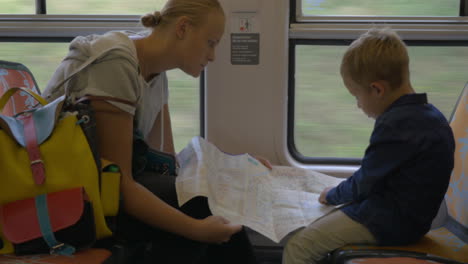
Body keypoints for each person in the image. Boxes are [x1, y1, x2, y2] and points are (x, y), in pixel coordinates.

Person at [42, 0, 271, 263]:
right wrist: (197, 229)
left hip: (104, 186)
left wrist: (233, 168)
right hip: (71, 197)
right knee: (198, 207)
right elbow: (120, 184)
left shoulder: (155, 72)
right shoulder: (115, 64)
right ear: (183, 28)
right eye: (211, 42)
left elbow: (164, 164)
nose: (213, 56)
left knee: (207, 198)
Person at [282, 27, 455, 264]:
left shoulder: (396, 125)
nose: (358, 106)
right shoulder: (430, 115)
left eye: (356, 96)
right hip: (408, 215)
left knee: (299, 246)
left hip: (391, 221)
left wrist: (331, 195)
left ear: (377, 89)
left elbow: (365, 181)